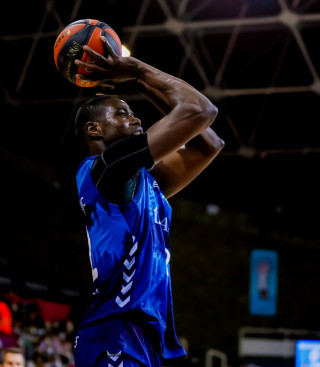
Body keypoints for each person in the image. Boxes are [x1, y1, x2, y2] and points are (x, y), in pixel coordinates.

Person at [70, 35, 223, 367]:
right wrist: (135, 71)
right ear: (95, 130)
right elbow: (201, 110)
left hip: (147, 338)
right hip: (115, 334)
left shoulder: (145, 183)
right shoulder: (106, 170)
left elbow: (208, 143)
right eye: (123, 114)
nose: (136, 119)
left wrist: (140, 84)